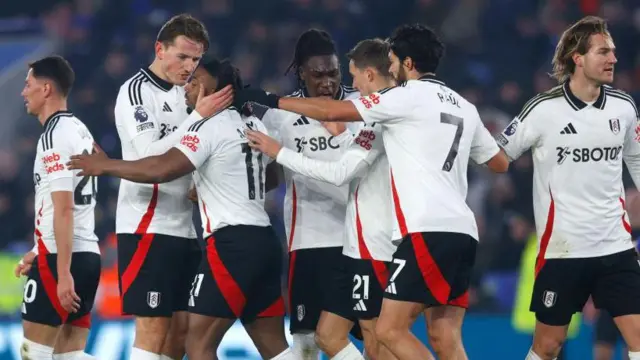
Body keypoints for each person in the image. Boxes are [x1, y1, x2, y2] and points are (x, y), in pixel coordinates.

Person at [235, 24, 509, 360]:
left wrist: (270, 104)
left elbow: (334, 124)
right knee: (440, 335)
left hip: (415, 231)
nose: (387, 69)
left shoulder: (399, 100)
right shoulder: (464, 105)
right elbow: (498, 161)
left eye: (392, 62)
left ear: (406, 63)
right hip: (462, 229)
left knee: (386, 333)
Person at [68, 59, 296, 360]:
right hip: (265, 243)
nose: (186, 87)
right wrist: (213, 185)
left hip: (232, 247)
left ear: (212, 88)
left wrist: (106, 165)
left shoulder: (208, 126)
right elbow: (271, 176)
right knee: (275, 348)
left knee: (197, 344)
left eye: (194, 80)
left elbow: (160, 168)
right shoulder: (253, 122)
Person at [493, 16, 640, 360]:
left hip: (614, 246)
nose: (613, 59)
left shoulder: (624, 107)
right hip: (563, 250)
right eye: (603, 52)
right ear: (578, 57)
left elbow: (637, 161)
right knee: (548, 346)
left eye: (614, 52)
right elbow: (500, 158)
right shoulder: (543, 110)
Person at [247, 38, 397, 360]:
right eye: (318, 74)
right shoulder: (280, 115)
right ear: (301, 73)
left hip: (362, 238)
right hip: (310, 240)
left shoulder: (363, 105)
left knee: (376, 336)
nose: (328, 81)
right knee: (308, 342)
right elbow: (272, 176)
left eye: (334, 72)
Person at [112, 14, 232, 360]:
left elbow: (196, 152)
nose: (189, 67)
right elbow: (150, 155)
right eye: (182, 57)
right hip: (146, 226)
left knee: (181, 335)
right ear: (159, 49)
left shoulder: (190, 93)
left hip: (185, 229)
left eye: (195, 59)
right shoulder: (136, 91)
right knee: (153, 330)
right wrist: (198, 118)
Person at [18, 55, 100, 359]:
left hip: (60, 258)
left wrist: (62, 272)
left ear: (47, 88)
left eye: (28, 84)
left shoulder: (53, 136)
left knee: (34, 354)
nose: (23, 92)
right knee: (68, 356)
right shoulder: (81, 129)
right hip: (86, 253)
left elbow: (64, 208)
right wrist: (37, 251)